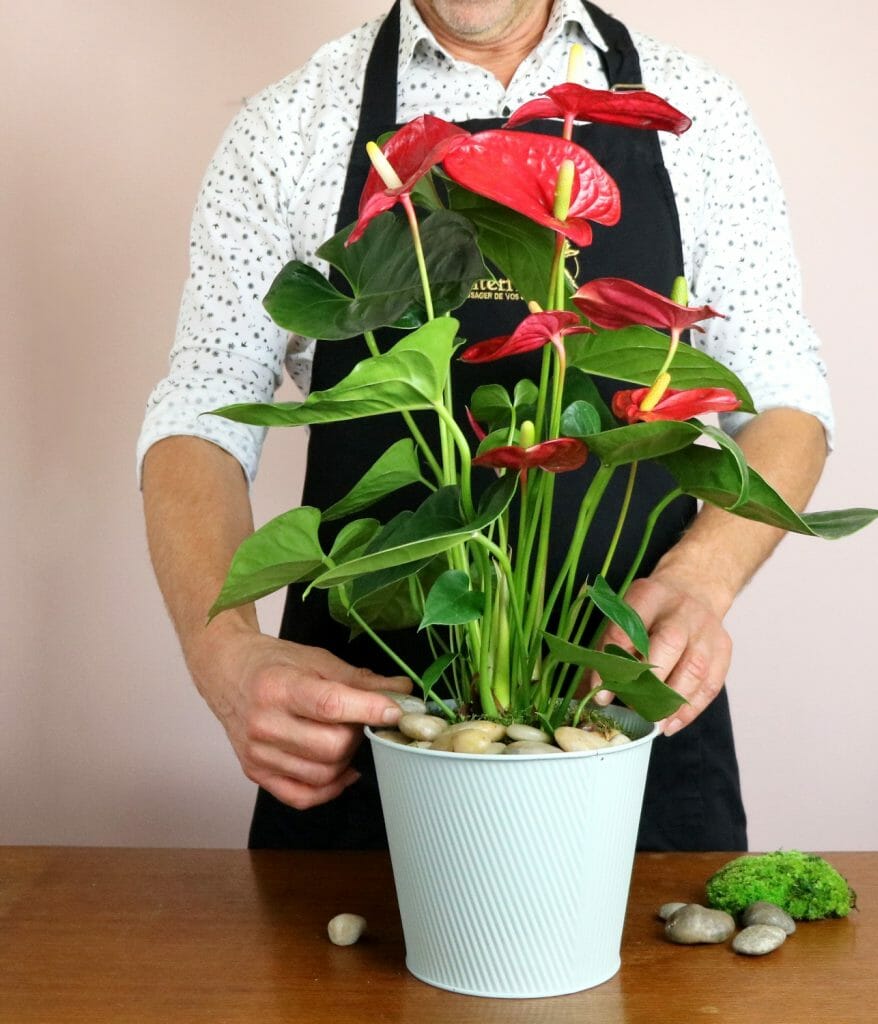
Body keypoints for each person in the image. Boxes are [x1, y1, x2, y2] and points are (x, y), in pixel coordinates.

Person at [139, 0, 833, 851]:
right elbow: (200, 411)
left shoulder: (695, 108)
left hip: (620, 712)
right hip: (372, 727)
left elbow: (788, 400)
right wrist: (224, 653)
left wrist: (702, 580)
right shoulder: (290, 124)